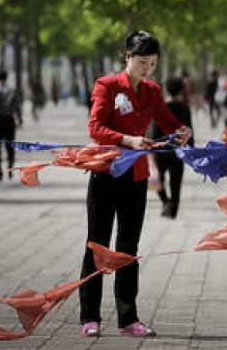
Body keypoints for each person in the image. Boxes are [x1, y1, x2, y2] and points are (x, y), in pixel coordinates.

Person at [79, 30, 191, 338]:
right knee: (97, 245)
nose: (147, 68)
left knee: (128, 247)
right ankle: (90, 316)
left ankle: (128, 319)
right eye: (142, 61)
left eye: (152, 63)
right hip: (106, 173)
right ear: (126, 56)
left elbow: (168, 121)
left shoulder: (153, 92)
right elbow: (95, 127)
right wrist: (127, 139)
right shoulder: (108, 85)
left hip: (136, 178)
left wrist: (182, 130)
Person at [150, 77, 194, 219]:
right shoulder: (184, 108)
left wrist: (152, 148)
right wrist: (191, 149)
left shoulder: (161, 107)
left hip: (161, 149)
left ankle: (165, 201)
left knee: (157, 179)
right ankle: (173, 210)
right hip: (177, 151)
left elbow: (155, 130)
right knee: (176, 182)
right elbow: (189, 129)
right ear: (181, 90)